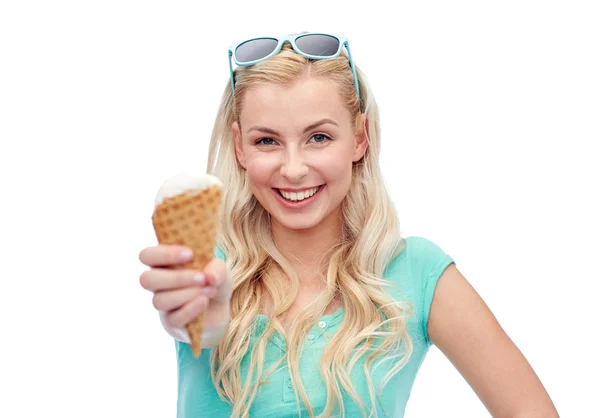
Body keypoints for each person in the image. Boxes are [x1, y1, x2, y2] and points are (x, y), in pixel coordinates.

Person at [139, 33, 559, 418]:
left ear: (360, 138)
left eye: (318, 138)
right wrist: (201, 316)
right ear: (239, 147)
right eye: (266, 141)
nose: (293, 168)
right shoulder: (206, 268)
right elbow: (195, 322)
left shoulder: (417, 272)